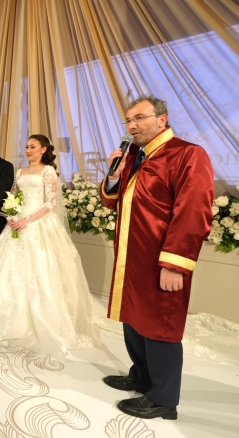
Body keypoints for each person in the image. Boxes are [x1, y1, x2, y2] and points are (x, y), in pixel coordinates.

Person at [99, 95, 214, 420]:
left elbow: (193, 212)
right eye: (128, 120)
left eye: (139, 118)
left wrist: (175, 264)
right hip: (132, 259)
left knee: (160, 325)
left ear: (162, 119)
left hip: (161, 261)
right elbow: (111, 200)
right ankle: (142, 376)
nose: (132, 125)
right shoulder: (135, 156)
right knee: (134, 319)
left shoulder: (187, 154)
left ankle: (163, 399)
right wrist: (114, 174)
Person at [0, 134, 100, 359]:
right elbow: (13, 197)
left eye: (33, 146)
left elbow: (50, 203)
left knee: (42, 270)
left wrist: (26, 221)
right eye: (26, 146)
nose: (28, 150)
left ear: (43, 149)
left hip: (38, 223)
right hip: (17, 222)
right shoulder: (20, 171)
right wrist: (12, 215)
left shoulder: (48, 171)